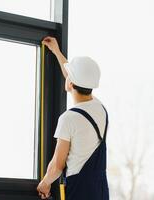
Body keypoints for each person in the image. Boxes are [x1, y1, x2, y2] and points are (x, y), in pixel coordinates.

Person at [37, 36, 109, 200]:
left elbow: (57, 164)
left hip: (79, 191)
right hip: (100, 191)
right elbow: (77, 78)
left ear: (70, 84)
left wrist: (45, 183)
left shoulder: (68, 119)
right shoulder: (101, 110)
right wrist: (56, 51)